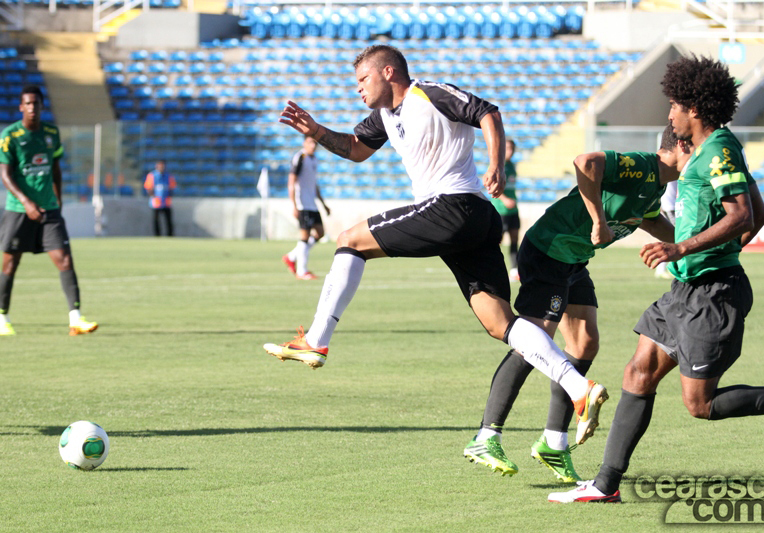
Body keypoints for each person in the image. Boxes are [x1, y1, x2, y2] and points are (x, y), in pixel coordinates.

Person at [263, 44, 608, 449]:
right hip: (471, 221)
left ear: (388, 72)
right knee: (501, 324)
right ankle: (578, 387)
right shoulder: (385, 117)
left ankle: (317, 339)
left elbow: (488, 113)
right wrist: (317, 132)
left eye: (362, 79)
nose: (357, 88)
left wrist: (496, 164)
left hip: (454, 206)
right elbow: (356, 150)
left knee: (348, 240)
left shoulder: (429, 93)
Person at [549, 55, 764, 504]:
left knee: (701, 406)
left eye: (674, 104)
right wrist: (706, 250)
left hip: (713, 294)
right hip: (684, 291)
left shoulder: (719, 148)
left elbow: (742, 215)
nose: (669, 113)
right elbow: (758, 214)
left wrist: (685, 248)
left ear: (694, 108)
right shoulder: (708, 151)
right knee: (638, 372)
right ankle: (605, 485)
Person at [465, 126, 692, 479]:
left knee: (585, 343)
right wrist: (599, 220)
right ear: (681, 145)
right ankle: (486, 435)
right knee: (534, 341)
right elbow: (585, 162)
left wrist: (696, 242)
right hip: (549, 251)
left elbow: (651, 222)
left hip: (574, 259)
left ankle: (553, 444)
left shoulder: (656, 187)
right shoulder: (644, 166)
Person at [0, 85, 98, 336]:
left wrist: (58, 198)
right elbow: (5, 175)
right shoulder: (10, 136)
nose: (32, 108)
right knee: (10, 263)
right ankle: (2, 317)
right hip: (19, 210)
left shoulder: (51, 133)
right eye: (28, 104)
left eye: (36, 103)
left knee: (64, 259)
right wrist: (26, 202)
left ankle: (75, 319)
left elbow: (55, 168)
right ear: (21, 107)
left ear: (42, 106)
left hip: (49, 208)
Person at [281, 135, 330, 280]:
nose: (313, 145)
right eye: (310, 142)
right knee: (304, 237)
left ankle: (292, 256)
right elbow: (291, 182)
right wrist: (294, 205)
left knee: (320, 233)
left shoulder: (314, 160)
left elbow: (314, 184)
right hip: (302, 204)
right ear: (304, 143)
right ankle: (302, 271)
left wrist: (323, 204)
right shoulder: (300, 158)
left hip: (312, 204)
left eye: (315, 143)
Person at [490, 139, 520, 282]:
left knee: (515, 239)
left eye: (512, 148)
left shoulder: (512, 166)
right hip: (500, 210)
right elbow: (491, 186)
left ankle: (514, 269)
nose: (510, 151)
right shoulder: (497, 166)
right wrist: (505, 199)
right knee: (497, 241)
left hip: (513, 211)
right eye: (507, 148)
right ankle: (493, 270)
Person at [143, 160, 176, 236]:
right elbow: (148, 188)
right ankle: (157, 235)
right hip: (156, 203)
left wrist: (169, 196)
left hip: (166, 202)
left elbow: (172, 188)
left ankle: (170, 235)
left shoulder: (168, 176)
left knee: (168, 220)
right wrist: (153, 196)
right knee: (156, 220)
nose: (161, 167)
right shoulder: (152, 176)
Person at [654, 179, 678, 279]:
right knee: (676, 237)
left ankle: (661, 268)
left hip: (672, 206)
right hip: (670, 206)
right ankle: (663, 268)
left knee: (671, 236)